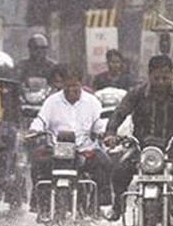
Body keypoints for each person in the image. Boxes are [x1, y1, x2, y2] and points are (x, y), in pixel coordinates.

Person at [103, 54, 173, 221]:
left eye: (165, 78)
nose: (161, 82)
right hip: (141, 150)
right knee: (120, 170)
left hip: (172, 151)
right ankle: (117, 206)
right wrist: (110, 133)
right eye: (156, 78)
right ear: (149, 75)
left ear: (172, 75)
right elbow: (119, 113)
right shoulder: (136, 93)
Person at [28, 66, 112, 211]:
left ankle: (98, 204)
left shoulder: (93, 102)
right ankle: (38, 200)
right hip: (56, 150)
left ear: (81, 83)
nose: (71, 90)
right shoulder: (51, 101)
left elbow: (99, 123)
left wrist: (104, 133)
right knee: (37, 160)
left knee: (104, 162)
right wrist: (34, 130)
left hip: (84, 150)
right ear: (62, 84)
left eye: (75, 86)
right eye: (68, 86)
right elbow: (41, 120)